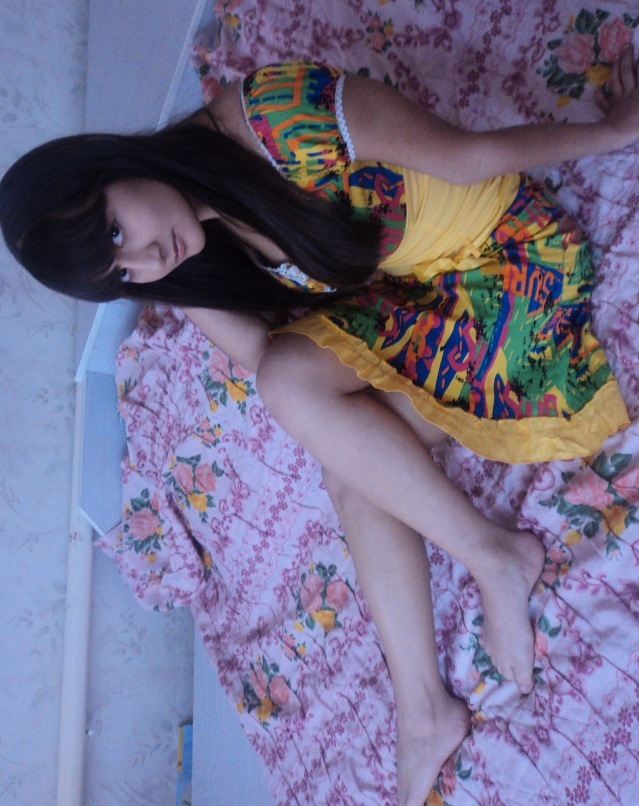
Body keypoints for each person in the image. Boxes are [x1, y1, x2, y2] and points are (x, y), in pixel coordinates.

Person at [2, 46, 639, 806]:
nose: (141, 259)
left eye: (114, 233)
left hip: (503, 259)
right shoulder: (182, 249)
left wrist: (613, 132)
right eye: (119, 275)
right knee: (342, 441)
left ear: (108, 163)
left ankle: (492, 560)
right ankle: (424, 709)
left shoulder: (275, 118)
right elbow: (269, 361)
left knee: (338, 436)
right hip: (418, 295)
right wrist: (178, 288)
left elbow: (469, 158)